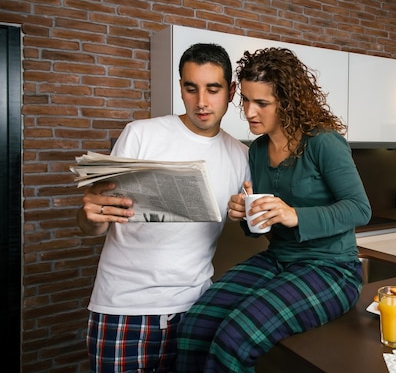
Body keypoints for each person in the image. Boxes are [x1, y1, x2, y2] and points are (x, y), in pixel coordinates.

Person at [176, 47, 372, 372]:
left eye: (262, 103)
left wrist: (295, 215)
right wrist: (246, 215)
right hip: (278, 260)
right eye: (246, 101)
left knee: (234, 337)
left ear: (287, 102)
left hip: (331, 269)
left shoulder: (323, 142)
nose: (250, 112)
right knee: (195, 324)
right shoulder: (257, 150)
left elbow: (359, 209)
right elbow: (262, 228)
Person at [76, 43, 250, 372]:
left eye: (213, 89)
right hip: (123, 307)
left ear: (231, 91)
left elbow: (253, 227)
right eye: (190, 88)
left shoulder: (241, 156)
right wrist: (92, 218)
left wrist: (249, 215)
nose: (201, 102)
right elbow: (95, 222)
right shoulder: (141, 134)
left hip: (196, 310)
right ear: (181, 88)